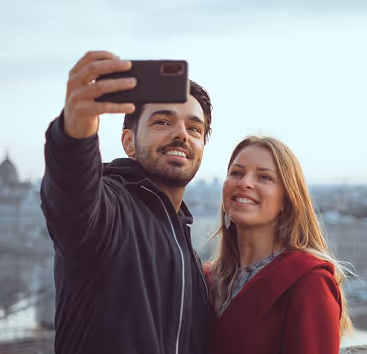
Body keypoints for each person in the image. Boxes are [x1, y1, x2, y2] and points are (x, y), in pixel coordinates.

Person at [40, 50, 213, 354]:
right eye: (162, 121)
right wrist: (74, 132)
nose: (181, 134)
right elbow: (73, 201)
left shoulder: (188, 253)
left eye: (195, 128)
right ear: (129, 142)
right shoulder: (111, 212)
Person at [205, 136, 353, 354]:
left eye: (264, 177)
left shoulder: (308, 280)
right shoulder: (206, 279)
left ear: (286, 200)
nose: (245, 182)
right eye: (236, 172)